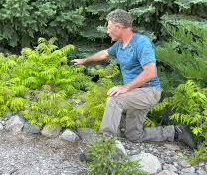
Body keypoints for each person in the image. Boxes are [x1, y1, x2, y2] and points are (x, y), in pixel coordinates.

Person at [72, 9, 196, 149]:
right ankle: (177, 132)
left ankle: (104, 146)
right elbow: (103, 54)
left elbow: (150, 72)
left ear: (118, 27)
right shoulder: (119, 45)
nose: (107, 31)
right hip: (135, 93)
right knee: (134, 135)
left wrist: (125, 88)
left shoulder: (141, 43)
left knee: (114, 100)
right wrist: (84, 60)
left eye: (109, 27)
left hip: (149, 91)